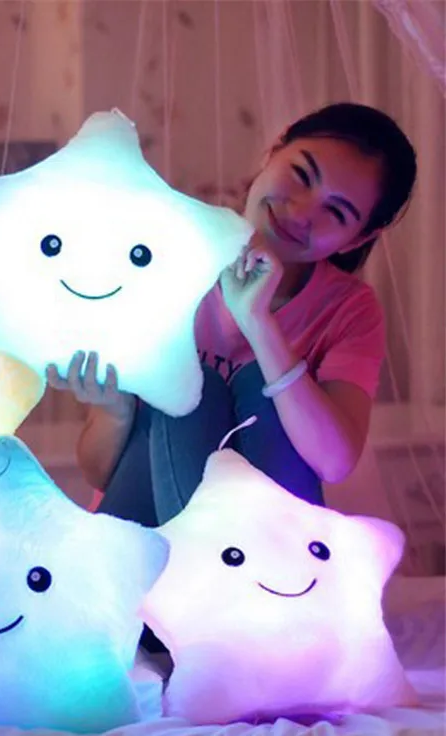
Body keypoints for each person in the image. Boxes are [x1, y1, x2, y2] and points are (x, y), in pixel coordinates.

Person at [47, 101, 418, 540]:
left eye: (336, 213)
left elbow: (334, 462)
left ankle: (224, 574)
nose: (301, 213)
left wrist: (258, 322)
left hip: (257, 546)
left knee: (260, 386)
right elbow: (101, 474)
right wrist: (115, 411)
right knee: (195, 388)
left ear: (357, 239)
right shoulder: (165, 256)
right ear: (273, 153)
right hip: (144, 535)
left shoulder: (348, 308)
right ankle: (216, 576)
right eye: (301, 174)